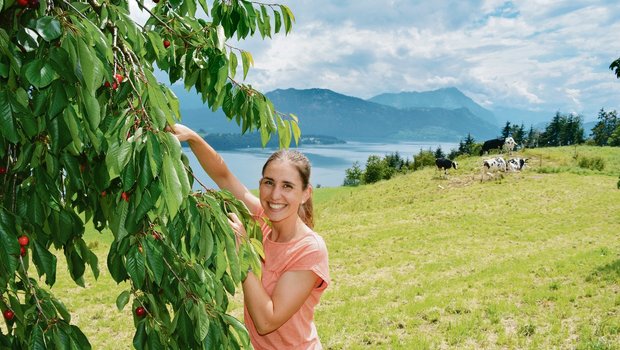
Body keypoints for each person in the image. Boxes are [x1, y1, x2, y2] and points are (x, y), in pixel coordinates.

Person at [171, 124, 330, 350]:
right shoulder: (262, 220)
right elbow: (224, 177)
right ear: (260, 184)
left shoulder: (310, 249)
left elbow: (267, 321)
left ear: (305, 193)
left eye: (287, 186)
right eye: (269, 182)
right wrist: (193, 138)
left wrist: (243, 251)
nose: (275, 195)